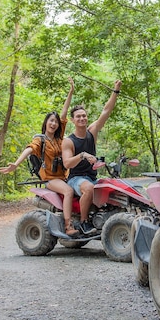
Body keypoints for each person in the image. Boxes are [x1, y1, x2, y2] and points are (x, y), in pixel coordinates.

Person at [0, 77, 78, 236]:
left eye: (55, 122)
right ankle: (68, 226)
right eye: (51, 121)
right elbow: (29, 149)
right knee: (69, 192)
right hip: (50, 178)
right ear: (46, 122)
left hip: (63, 177)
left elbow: (63, 114)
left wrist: (70, 93)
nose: (54, 124)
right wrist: (16, 164)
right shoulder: (40, 140)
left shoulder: (59, 138)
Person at [62, 80, 122, 234]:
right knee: (88, 188)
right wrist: (82, 155)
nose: (82, 118)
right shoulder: (69, 141)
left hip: (92, 176)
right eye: (78, 117)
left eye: (84, 115)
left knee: (116, 185)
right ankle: (83, 222)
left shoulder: (91, 132)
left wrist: (115, 91)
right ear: (73, 120)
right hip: (76, 178)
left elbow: (106, 111)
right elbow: (67, 163)